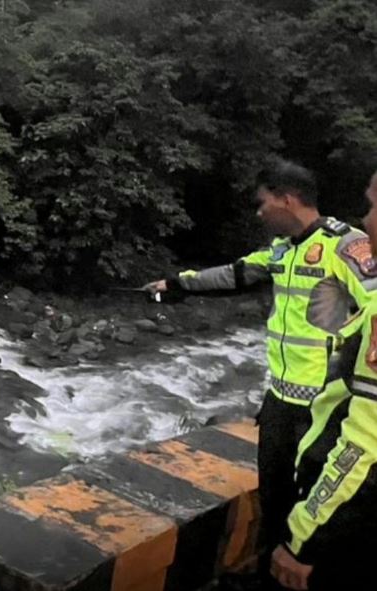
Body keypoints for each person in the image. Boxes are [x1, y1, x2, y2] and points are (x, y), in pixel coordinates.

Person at [144, 159, 377, 586]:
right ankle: (271, 573)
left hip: (322, 409)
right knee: (275, 499)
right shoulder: (282, 250)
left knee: (312, 504)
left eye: (263, 203)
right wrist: (176, 284)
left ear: (287, 199)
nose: (258, 212)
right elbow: (236, 274)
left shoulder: (347, 247)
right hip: (280, 402)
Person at [270, 170, 377, 591]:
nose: (365, 222)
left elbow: (363, 447)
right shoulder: (283, 251)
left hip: (351, 526)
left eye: (372, 207)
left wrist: (302, 537)